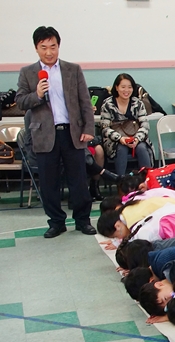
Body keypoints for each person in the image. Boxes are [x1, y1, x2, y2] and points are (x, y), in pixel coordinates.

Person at [15, 26, 97, 238]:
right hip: (44, 135)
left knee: (78, 181)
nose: (49, 52)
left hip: (72, 132)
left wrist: (88, 128)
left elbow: (85, 101)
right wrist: (37, 94)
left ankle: (83, 220)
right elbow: (20, 101)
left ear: (58, 46)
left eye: (53, 46)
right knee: (49, 183)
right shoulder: (28, 72)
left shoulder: (73, 69)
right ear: (36, 48)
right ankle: (56, 222)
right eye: (44, 47)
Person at [99, 73, 154, 176]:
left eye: (129, 87)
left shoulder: (138, 103)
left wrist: (137, 139)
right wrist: (120, 138)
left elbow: (145, 125)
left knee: (142, 148)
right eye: (123, 87)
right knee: (122, 149)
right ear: (116, 87)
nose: (126, 90)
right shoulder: (107, 104)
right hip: (115, 140)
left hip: (136, 137)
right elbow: (104, 128)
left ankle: (148, 179)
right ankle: (121, 181)